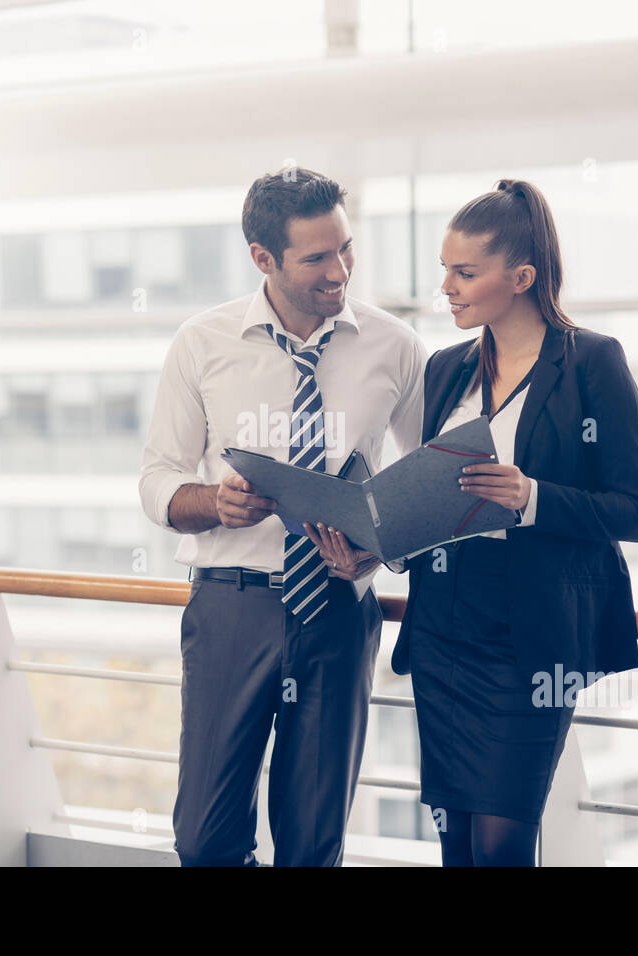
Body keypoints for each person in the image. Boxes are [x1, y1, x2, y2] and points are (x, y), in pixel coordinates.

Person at [139, 167, 427, 866]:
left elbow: (428, 488)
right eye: (318, 258)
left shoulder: (394, 347)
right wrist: (212, 502)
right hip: (230, 611)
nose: (340, 271)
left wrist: (375, 551)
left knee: (311, 843)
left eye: (346, 249)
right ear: (262, 257)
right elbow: (157, 482)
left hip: (336, 611)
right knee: (204, 839)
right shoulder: (202, 343)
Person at [385, 178, 638, 866]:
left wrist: (530, 497)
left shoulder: (592, 362)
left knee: (501, 843)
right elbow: (430, 493)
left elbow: (634, 511)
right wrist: (380, 534)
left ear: (522, 277)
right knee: (457, 842)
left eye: (464, 271)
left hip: (528, 642)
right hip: (445, 630)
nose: (445, 285)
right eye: (445, 268)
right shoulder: (446, 370)